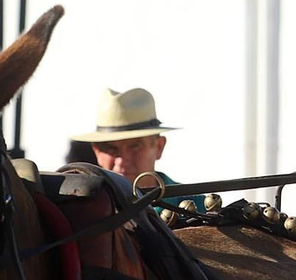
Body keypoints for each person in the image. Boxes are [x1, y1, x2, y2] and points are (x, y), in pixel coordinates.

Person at [70, 87, 206, 214]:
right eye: (111, 148)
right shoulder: (81, 213)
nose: (122, 161)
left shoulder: (199, 208)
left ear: (159, 147)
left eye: (135, 146)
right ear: (97, 152)